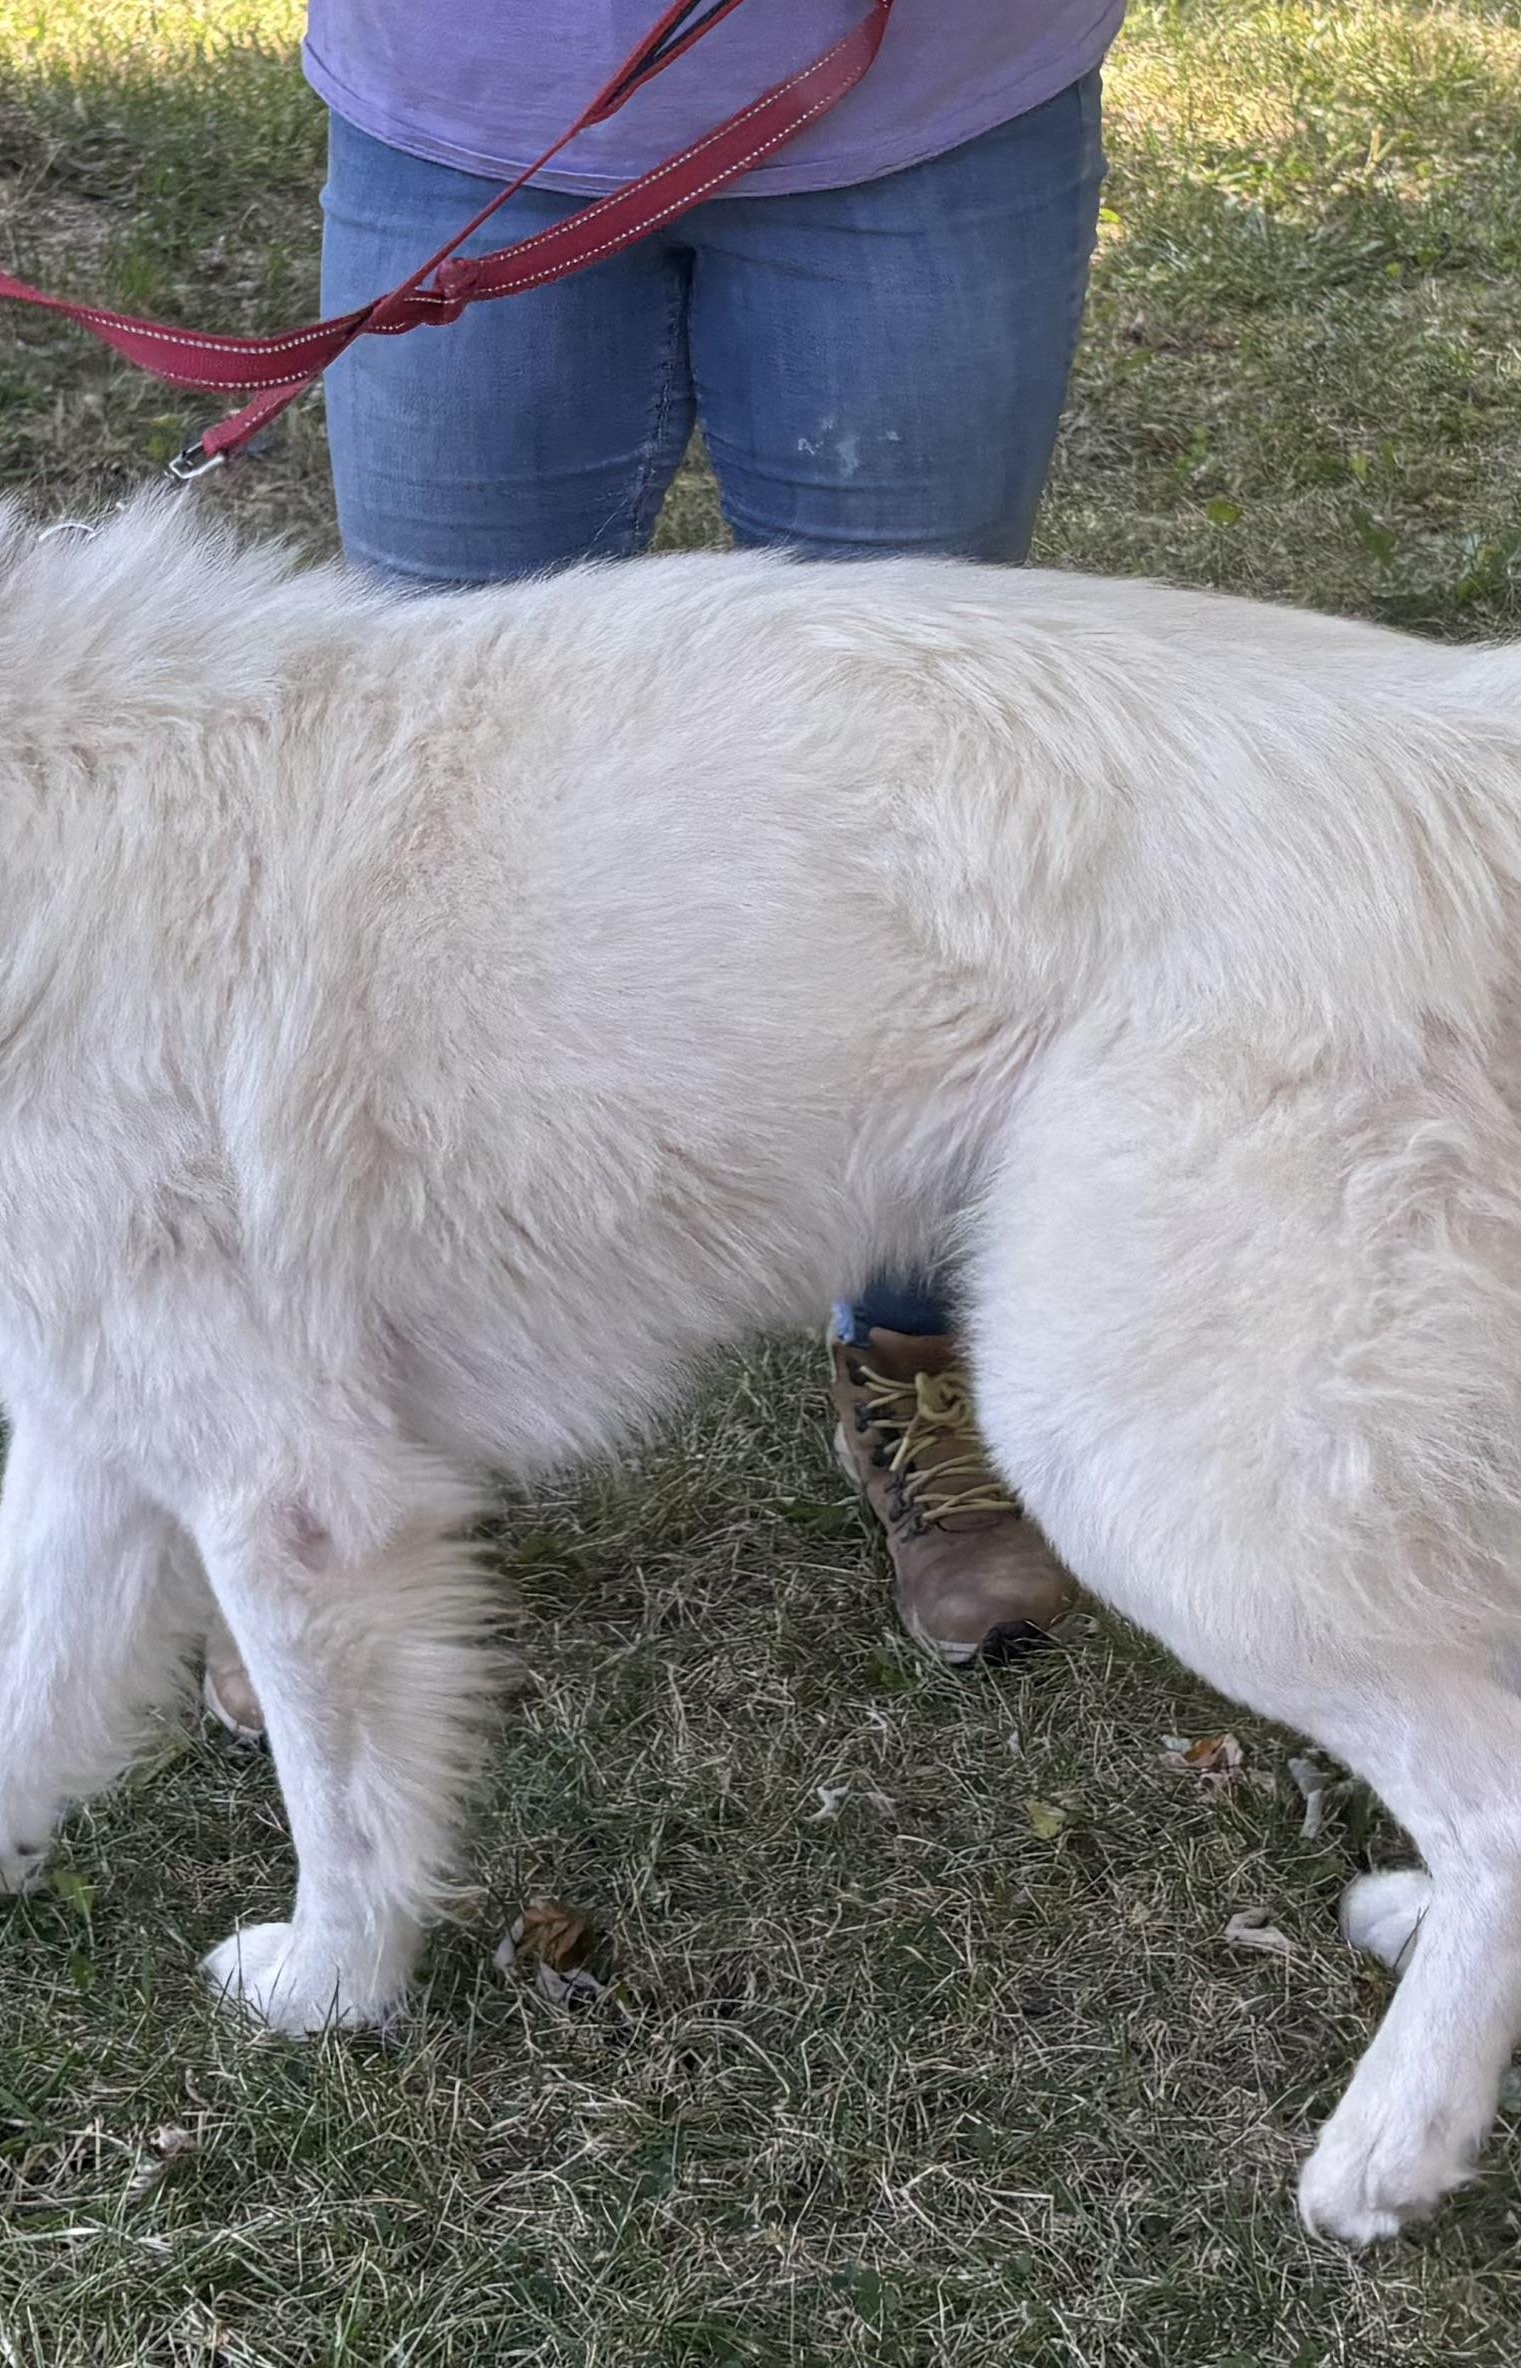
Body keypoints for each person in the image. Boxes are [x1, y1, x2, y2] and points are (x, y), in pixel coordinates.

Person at [303, 0, 1128, 1672]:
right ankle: (365, 1427)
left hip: (924, 96)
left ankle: (915, 1350)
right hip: (466, 90)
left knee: (919, 798)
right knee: (423, 834)